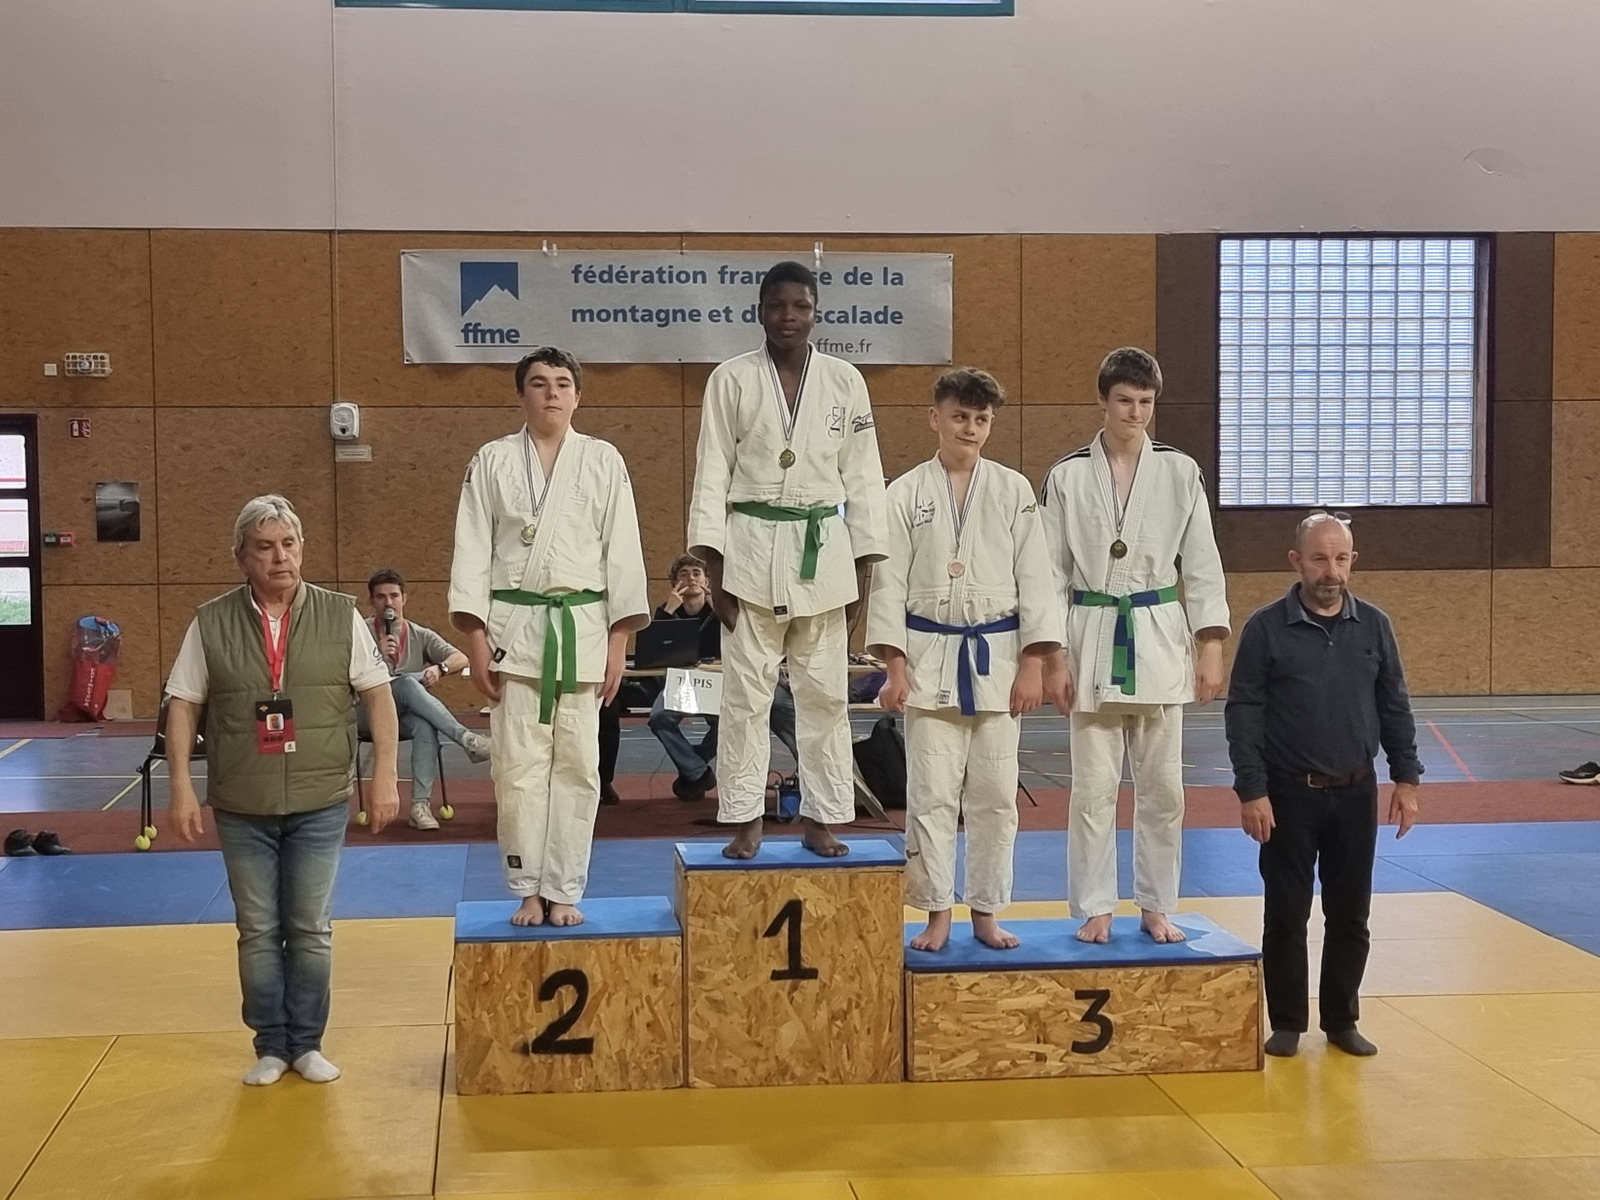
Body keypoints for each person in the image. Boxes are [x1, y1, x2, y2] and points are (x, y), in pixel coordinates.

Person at [163, 495, 400, 1087]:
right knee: (259, 930)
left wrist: (384, 776)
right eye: (265, 547)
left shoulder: (340, 616)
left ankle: (308, 1043)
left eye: (288, 545)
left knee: (312, 927)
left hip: (321, 799)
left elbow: (379, 697)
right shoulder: (210, 622)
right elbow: (183, 705)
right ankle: (271, 1045)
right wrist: (181, 787)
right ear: (241, 557)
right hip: (242, 805)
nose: (279, 558)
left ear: (302, 549)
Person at [688, 260, 890, 859]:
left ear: (815, 312)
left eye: (800, 306)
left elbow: (864, 476)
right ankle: (745, 815)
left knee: (824, 696)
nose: (788, 317)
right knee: (744, 698)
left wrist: (862, 569)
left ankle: (822, 817)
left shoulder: (845, 381)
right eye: (777, 306)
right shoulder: (730, 378)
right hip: (749, 549)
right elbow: (711, 469)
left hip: (822, 551)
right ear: (759, 311)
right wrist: (713, 567)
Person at [449, 346, 650, 928]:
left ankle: (563, 888)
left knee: (579, 769)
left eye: (562, 383)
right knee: (517, 769)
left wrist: (619, 643)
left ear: (577, 396)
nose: (552, 393)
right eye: (539, 383)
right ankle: (526, 887)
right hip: (515, 635)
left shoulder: (603, 460)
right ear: (521, 395)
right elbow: (471, 552)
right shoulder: (491, 461)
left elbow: (623, 553)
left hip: (582, 633)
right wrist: (476, 640)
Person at [1039, 347, 1230, 944]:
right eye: (1125, 400)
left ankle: (1156, 904)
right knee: (1093, 791)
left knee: (1163, 789)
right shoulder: (1067, 476)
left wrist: (1210, 644)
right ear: (1103, 400)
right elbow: (1049, 573)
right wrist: (1053, 656)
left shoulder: (1179, 471)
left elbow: (1202, 564)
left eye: (1146, 402)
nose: (1136, 412)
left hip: (1158, 633)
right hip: (1093, 634)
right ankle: (1096, 905)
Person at [870, 368, 1061, 952]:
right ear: (935, 418)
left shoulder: (1013, 490)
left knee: (996, 798)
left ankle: (986, 910)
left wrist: (1033, 663)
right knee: (930, 796)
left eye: (981, 419)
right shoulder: (904, 494)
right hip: (928, 661)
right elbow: (888, 585)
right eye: (959, 416)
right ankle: (935, 912)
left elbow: (1036, 579)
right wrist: (894, 669)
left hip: (997, 662)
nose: (970, 428)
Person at [1225, 511, 1422, 1058]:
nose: (1330, 570)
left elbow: (1395, 704)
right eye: (1319, 558)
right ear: (1296, 561)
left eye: (1340, 558)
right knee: (1286, 914)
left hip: (1356, 793)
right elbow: (1244, 712)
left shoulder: (1374, 626)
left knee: (1350, 915)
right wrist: (1251, 790)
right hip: (1287, 795)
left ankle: (1341, 1020)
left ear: (1352, 561)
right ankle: (1288, 1022)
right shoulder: (1266, 629)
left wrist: (1406, 778)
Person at [646, 552, 801, 801]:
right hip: (684, 682)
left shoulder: (721, 610)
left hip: (721, 681)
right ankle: (697, 771)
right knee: (659, 717)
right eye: (683, 575)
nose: (691, 579)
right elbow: (654, 651)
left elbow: (741, 639)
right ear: (674, 583)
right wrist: (668, 612)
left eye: (696, 574)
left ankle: (693, 769)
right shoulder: (666, 611)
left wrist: (717, 607)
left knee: (727, 721)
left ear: (707, 581)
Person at [363, 568, 490, 830]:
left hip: (402, 716)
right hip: (366, 713)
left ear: (404, 599)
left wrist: (439, 668)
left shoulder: (419, 633)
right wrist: (375, 654)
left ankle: (419, 806)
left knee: (424, 726)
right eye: (381, 597)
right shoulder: (360, 633)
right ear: (372, 601)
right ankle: (467, 739)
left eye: (394, 596)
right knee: (407, 683)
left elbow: (461, 658)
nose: (388, 602)